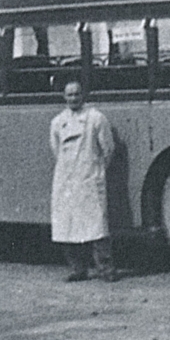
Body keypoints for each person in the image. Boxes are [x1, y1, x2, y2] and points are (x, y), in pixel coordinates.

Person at [49, 80, 117, 282]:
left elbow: (108, 148)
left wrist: (96, 170)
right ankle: (78, 268)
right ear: (64, 97)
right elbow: (56, 150)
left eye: (76, 94)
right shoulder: (58, 122)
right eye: (69, 95)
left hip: (89, 177)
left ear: (83, 95)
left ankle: (105, 269)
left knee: (96, 227)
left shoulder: (96, 118)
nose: (73, 98)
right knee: (68, 225)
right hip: (67, 180)